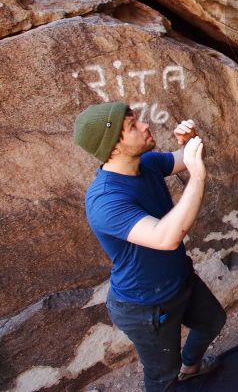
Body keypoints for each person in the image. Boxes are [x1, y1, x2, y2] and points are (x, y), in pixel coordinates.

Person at [73, 102, 225, 391]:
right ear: (113, 148)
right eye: (132, 127)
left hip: (180, 281)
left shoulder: (147, 165)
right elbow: (165, 237)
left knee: (213, 321)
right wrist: (198, 176)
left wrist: (191, 140)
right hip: (145, 306)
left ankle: (190, 367)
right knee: (161, 375)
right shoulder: (105, 200)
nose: (145, 126)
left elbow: (188, 157)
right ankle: (176, 374)